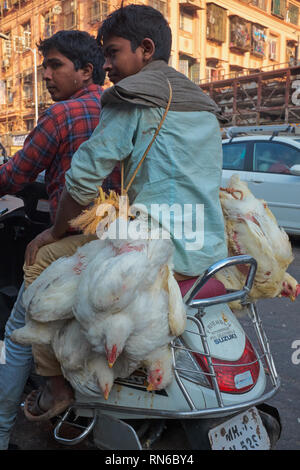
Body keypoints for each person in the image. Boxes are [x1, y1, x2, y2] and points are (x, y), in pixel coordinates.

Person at [23, 4, 227, 421]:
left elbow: (81, 181)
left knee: (40, 258)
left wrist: (54, 230)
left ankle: (56, 387)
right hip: (211, 250)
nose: (107, 65)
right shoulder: (202, 103)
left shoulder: (133, 95)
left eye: (113, 53)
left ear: (145, 49)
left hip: (158, 250)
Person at [0, 29, 120, 450]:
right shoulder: (120, 110)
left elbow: (14, 175)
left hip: (75, 241)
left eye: (55, 65)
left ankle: (5, 427)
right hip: (122, 241)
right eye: (44, 66)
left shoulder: (61, 115)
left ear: (87, 70)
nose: (47, 75)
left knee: (19, 334)